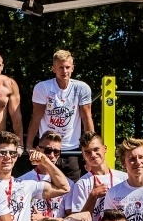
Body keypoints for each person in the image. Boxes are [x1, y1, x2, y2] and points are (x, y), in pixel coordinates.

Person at [25, 50, 94, 182]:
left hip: (71, 147)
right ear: (53, 69)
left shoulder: (82, 88)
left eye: (68, 67)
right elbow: (36, 117)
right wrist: (29, 145)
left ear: (73, 68)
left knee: (71, 190)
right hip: (47, 147)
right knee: (45, 188)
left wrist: (89, 147)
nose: (65, 71)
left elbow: (87, 118)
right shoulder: (43, 87)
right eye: (61, 67)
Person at [69, 132, 127, 221]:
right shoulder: (82, 183)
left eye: (96, 149)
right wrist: (93, 196)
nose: (93, 154)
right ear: (83, 155)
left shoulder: (123, 178)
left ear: (105, 148)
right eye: (88, 152)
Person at [18, 131, 75, 221]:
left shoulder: (68, 184)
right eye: (48, 151)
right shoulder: (22, 181)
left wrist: (45, 219)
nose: (52, 156)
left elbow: (72, 220)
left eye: (56, 152)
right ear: (38, 150)